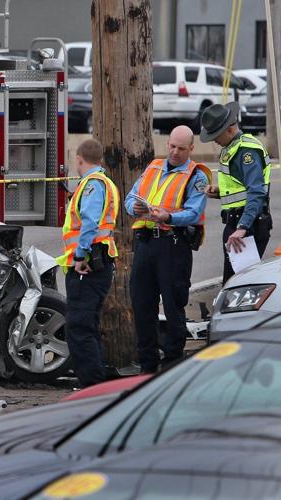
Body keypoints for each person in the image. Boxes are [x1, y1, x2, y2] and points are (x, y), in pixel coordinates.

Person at [125, 126, 210, 374]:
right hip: (146, 244)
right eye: (171, 146)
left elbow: (194, 213)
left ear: (191, 149)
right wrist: (135, 209)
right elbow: (131, 196)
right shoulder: (154, 167)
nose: (174, 152)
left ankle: (172, 365)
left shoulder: (197, 176)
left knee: (174, 307)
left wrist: (168, 216)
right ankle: (147, 367)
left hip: (173, 245)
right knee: (142, 305)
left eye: (181, 148)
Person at [55, 138, 119, 388]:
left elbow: (90, 222)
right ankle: (94, 383)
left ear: (79, 158)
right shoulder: (99, 182)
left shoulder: (93, 185)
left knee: (79, 325)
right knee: (86, 324)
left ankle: (91, 385)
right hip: (95, 262)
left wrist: (80, 255)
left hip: (89, 264)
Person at [200, 101, 272, 284]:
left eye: (216, 135)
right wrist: (219, 192)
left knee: (238, 286)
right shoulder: (233, 148)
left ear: (229, 130)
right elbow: (241, 189)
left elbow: (256, 192)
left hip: (248, 226)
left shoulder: (246, 151)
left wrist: (242, 227)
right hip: (239, 224)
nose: (214, 140)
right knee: (234, 283)